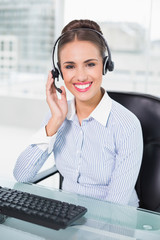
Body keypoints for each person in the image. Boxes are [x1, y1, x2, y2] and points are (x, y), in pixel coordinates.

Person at [13, 19, 143, 207]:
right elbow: (22, 175)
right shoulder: (57, 115)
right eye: (70, 66)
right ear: (59, 72)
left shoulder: (126, 125)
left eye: (90, 64)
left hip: (112, 224)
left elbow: (117, 206)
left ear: (105, 65)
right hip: (68, 218)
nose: (81, 76)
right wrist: (55, 122)